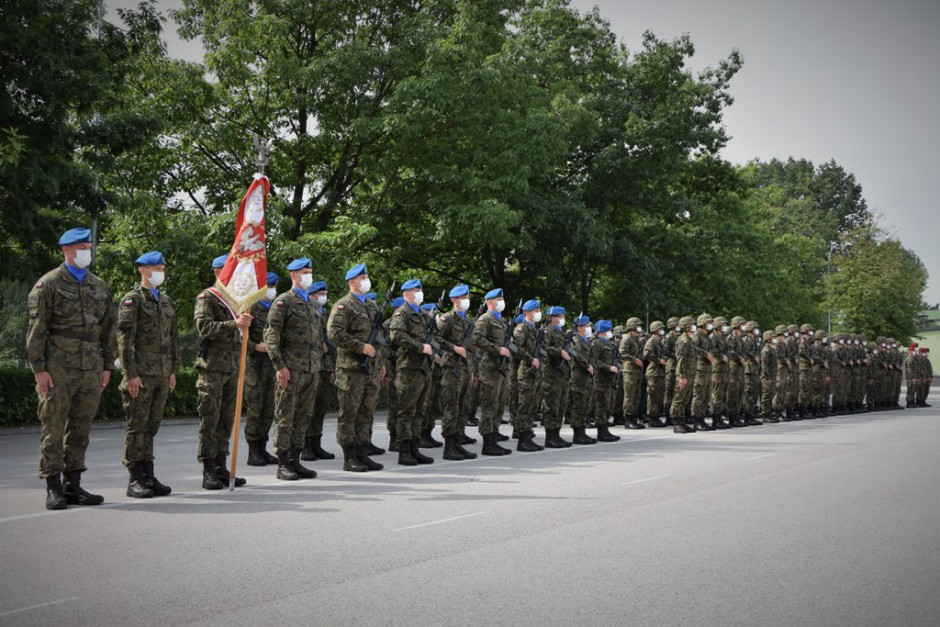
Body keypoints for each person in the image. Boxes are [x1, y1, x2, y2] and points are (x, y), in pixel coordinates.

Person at [27, 228, 118, 509]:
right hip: (58, 367)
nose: (86, 252)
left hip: (90, 367)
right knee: (53, 426)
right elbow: (37, 330)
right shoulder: (49, 284)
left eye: (88, 247)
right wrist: (38, 368)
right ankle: (53, 486)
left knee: (81, 428)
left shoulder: (99, 286)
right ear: (66, 250)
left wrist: (107, 366)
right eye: (81, 247)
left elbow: (108, 330)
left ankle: (73, 485)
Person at [117, 251, 180, 498]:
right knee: (137, 426)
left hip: (162, 373)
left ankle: (148, 474)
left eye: (163, 268)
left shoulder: (165, 301)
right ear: (143, 270)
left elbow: (173, 340)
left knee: (151, 426)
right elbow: (124, 340)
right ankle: (135, 478)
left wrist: (173, 370)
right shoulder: (133, 300)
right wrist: (130, 373)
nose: (160, 272)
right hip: (141, 373)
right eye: (156, 268)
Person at [264, 258, 324, 480]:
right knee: (285, 416)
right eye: (304, 272)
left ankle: (295, 460)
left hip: (310, 369)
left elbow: (317, 339)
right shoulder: (283, 302)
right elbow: (272, 336)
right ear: (293, 276)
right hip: (290, 368)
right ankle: (282, 463)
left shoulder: (311, 304)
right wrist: (279, 365)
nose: (309, 275)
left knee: (303, 416)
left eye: (310, 271)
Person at [194, 254, 250, 490]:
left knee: (227, 420)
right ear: (219, 272)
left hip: (232, 367)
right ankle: (208, 469)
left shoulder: (238, 300)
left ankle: (221, 465)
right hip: (213, 368)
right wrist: (234, 324)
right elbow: (204, 327)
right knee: (211, 419)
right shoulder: (208, 297)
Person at [327, 264, 385, 472]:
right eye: (362, 277)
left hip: (370, 369)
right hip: (351, 369)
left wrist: (381, 362)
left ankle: (362, 452)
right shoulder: (344, 305)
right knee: (349, 414)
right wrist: (360, 347)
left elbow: (379, 338)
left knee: (366, 413)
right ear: (352, 282)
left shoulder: (372, 306)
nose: (366, 280)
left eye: (366, 276)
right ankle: (349, 457)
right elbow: (334, 334)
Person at [389, 279, 436, 465]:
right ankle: (404, 450)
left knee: (419, 411)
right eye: (416, 290)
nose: (419, 293)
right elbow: (396, 335)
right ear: (406, 294)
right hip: (408, 368)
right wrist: (419, 347)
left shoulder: (424, 315)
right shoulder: (402, 313)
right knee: (406, 411)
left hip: (424, 369)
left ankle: (415, 447)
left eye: (420, 289)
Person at [435, 284, 479, 459]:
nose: (467, 300)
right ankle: (449, 446)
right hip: (451, 368)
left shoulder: (468, 322)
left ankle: (458, 442)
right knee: (451, 407)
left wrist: (473, 371)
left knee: (463, 408)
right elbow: (436, 338)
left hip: (465, 369)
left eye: (467, 297)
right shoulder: (447, 319)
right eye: (463, 298)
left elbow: (472, 350)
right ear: (454, 300)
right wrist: (454, 347)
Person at [473, 289, 514, 455]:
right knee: (489, 406)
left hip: (502, 369)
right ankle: (487, 443)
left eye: (502, 298)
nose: (501, 301)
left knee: (499, 405)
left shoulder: (502, 321)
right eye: (498, 299)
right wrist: (497, 350)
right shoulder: (485, 319)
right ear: (489, 302)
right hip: (490, 368)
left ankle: (494, 436)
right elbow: (477, 339)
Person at [301, 280, 338, 462]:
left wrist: (331, 369)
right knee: (309, 407)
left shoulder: (324, 315)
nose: (324, 296)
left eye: (325, 293)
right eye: (320, 293)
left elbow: (330, 346)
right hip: (310, 366)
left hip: (324, 367)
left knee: (321, 408)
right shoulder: (308, 313)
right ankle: (306, 446)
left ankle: (316, 443)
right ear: (312, 295)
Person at [244, 272, 279, 466]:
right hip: (255, 365)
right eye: (269, 287)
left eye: (274, 287)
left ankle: (262, 448)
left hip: (272, 365)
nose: (272, 290)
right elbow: (241, 335)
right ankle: (253, 451)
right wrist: (255, 346)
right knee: (256, 409)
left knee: (269, 409)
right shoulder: (251, 307)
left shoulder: (275, 308)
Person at [542, 306, 573, 448]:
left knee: (561, 405)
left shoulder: (561, 333)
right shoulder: (547, 331)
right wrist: (559, 352)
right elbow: (544, 349)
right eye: (558, 316)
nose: (562, 318)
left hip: (563, 374)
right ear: (550, 318)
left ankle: (557, 434)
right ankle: (550, 437)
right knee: (551, 406)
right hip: (552, 373)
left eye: (563, 316)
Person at [590, 320, 621, 441]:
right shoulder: (596, 343)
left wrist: (617, 366)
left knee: (608, 404)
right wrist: (609, 367)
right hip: (600, 379)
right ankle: (601, 430)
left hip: (609, 379)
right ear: (603, 331)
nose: (611, 332)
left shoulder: (609, 343)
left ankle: (605, 427)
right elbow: (595, 361)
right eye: (609, 330)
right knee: (601, 405)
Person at [569, 315, 597, 444]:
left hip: (586, 377)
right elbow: (578, 356)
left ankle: (583, 431)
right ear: (579, 327)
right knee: (578, 406)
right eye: (586, 326)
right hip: (579, 377)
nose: (588, 328)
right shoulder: (576, 340)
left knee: (585, 404)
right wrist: (587, 366)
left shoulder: (585, 340)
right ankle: (577, 434)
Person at [669, 316, 697, 433]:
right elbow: (681, 360)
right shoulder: (683, 340)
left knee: (685, 399)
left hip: (689, 374)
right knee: (678, 399)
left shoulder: (689, 339)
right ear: (686, 327)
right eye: (691, 325)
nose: (694, 327)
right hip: (684, 375)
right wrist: (681, 376)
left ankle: (682, 421)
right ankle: (676, 423)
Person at [620, 316, 646, 429]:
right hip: (630, 370)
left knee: (636, 395)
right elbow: (622, 353)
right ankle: (628, 419)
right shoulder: (626, 338)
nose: (639, 327)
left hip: (637, 371)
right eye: (637, 325)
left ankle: (634, 417)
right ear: (632, 326)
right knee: (629, 396)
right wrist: (634, 359)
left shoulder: (636, 338)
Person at [643, 321, 667, 427]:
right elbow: (647, 354)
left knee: (659, 396)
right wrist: (658, 360)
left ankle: (656, 416)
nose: (662, 330)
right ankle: (652, 418)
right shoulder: (651, 341)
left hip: (660, 372)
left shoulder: (659, 341)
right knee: (653, 396)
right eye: (660, 328)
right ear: (655, 330)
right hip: (654, 371)